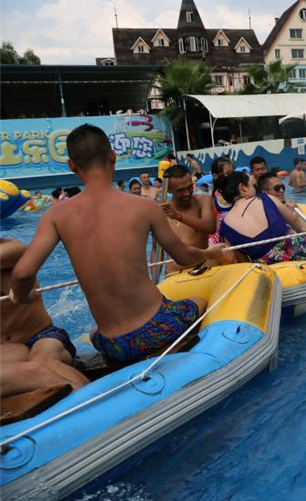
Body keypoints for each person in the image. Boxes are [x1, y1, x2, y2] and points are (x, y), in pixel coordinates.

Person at [10, 124, 223, 364]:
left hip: (114, 345)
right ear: (113, 156)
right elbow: (184, 256)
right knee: (199, 302)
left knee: (93, 333)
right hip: (157, 329)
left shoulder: (56, 215)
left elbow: (22, 272)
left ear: (72, 166)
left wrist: (21, 296)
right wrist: (209, 251)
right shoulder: (144, 207)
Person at [1, 238, 89, 396]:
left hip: (42, 336)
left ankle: (90, 397)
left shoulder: (13, 250)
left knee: (43, 359)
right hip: (8, 349)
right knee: (22, 359)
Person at [218, 171, 306, 264]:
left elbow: (242, 261)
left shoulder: (225, 226)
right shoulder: (266, 199)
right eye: (252, 186)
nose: (255, 189)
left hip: (272, 270)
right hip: (301, 255)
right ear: (242, 187)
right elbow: (297, 224)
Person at [160, 165, 217, 274]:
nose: (186, 193)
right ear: (169, 190)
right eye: (180, 190)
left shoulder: (203, 200)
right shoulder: (161, 211)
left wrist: (179, 216)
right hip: (175, 273)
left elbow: (210, 227)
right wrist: (155, 280)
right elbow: (156, 250)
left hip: (203, 268)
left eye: (190, 187)